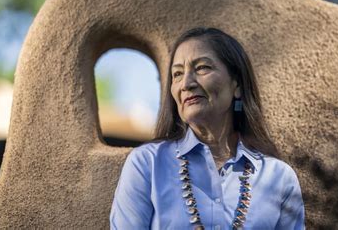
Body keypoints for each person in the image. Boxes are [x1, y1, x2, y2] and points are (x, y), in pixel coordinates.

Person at [110, 27, 305, 229]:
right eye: (177, 74)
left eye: (202, 68)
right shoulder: (147, 164)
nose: (185, 83)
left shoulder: (279, 177)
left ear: (236, 85)